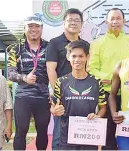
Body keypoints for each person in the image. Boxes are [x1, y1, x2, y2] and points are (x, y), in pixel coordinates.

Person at [88, 8, 129, 150]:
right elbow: (91, 69)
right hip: (106, 95)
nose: (115, 22)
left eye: (118, 18)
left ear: (124, 21)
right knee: (108, 136)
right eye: (112, 19)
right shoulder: (97, 43)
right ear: (106, 21)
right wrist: (112, 79)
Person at [50, 40, 106, 150]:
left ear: (87, 57)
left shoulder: (96, 82)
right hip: (66, 136)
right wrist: (55, 110)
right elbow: (53, 106)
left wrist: (97, 116)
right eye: (74, 56)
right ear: (68, 57)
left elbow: (103, 107)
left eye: (81, 56)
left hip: (89, 135)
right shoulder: (61, 82)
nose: (77, 60)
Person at [7, 16, 50, 150]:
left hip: (43, 96)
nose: (33, 29)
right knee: (21, 131)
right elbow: (10, 73)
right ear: (24, 29)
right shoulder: (15, 49)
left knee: (42, 131)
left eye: (37, 26)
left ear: (42, 29)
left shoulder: (50, 47)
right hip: (23, 97)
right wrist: (24, 78)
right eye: (30, 26)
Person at [46, 8, 86, 150]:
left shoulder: (86, 45)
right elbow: (51, 70)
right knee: (59, 135)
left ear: (82, 24)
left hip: (82, 96)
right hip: (62, 96)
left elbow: (88, 70)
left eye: (77, 20)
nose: (73, 23)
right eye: (70, 20)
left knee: (81, 134)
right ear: (64, 23)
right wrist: (58, 95)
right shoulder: (54, 43)